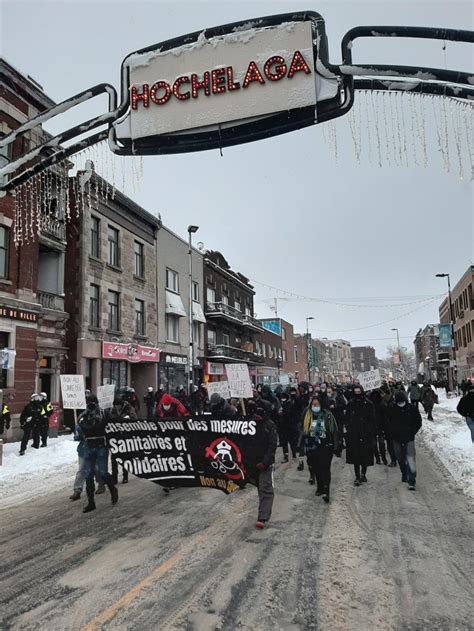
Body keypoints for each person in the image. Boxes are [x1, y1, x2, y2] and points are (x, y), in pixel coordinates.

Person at [77, 394, 118, 513]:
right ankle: (91, 502)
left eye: (92, 402)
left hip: (101, 445)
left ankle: (112, 489)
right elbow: (81, 426)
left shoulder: (103, 413)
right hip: (89, 445)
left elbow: (112, 424)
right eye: (89, 402)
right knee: (88, 474)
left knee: (102, 471)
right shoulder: (84, 415)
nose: (91, 404)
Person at [302, 396, 340, 503]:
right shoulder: (307, 415)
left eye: (317, 404)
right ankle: (319, 486)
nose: (315, 407)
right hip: (312, 446)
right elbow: (302, 428)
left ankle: (326, 491)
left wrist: (336, 445)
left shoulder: (328, 415)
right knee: (316, 468)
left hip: (326, 446)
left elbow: (334, 430)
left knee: (325, 468)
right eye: (313, 405)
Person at [388, 391, 422, 491]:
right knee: (399, 457)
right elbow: (388, 421)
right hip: (397, 437)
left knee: (411, 458)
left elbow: (418, 421)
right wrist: (392, 432)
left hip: (409, 438)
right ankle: (404, 471)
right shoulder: (392, 409)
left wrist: (412, 431)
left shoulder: (412, 408)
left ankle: (412, 480)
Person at [252, 399, 278, 529]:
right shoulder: (251, 424)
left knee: (265, 489)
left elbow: (272, 446)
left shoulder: (270, 426)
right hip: (253, 462)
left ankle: (262, 517)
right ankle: (262, 511)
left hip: (265, 464)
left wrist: (265, 462)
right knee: (260, 488)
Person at [345, 385, 376, 486]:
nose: (357, 394)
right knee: (356, 456)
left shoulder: (368, 404)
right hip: (354, 434)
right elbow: (347, 417)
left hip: (365, 433)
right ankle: (357, 476)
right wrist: (348, 429)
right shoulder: (351, 403)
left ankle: (363, 473)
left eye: (359, 392)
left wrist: (371, 431)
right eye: (356, 392)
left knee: (365, 456)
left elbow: (372, 419)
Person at [109, 394, 138, 484]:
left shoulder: (129, 408)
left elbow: (134, 419)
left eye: (118, 406)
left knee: (124, 457)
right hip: (115, 437)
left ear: (121, 405)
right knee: (114, 458)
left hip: (125, 437)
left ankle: (125, 476)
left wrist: (125, 419)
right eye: (115, 406)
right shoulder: (112, 410)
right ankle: (114, 477)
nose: (116, 407)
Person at [368, 389, 389, 465]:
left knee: (379, 444)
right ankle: (381, 458)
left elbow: (385, 416)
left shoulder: (371, 405)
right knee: (379, 444)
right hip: (376, 427)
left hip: (378, 427)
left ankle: (380, 458)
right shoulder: (371, 405)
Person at [279, 390, 300, 462]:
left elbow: (292, 415)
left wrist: (283, 413)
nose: (283, 399)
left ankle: (294, 455)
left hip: (291, 427)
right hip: (283, 427)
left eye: (284, 398)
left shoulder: (291, 404)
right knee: (284, 442)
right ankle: (286, 456)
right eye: (282, 398)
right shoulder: (281, 405)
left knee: (292, 442)